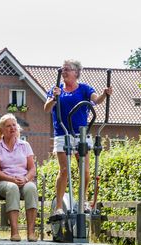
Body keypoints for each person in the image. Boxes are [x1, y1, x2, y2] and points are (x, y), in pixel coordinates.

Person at [43, 59, 112, 215]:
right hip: (62, 133)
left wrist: (104, 94)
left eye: (67, 69)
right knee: (64, 170)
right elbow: (46, 108)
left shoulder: (85, 89)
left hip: (81, 133)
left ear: (76, 72)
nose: (64, 72)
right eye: (63, 69)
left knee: (85, 171)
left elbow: (96, 100)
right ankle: (59, 207)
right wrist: (54, 98)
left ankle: (83, 201)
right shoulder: (55, 89)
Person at [0, 113, 38, 242]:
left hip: (23, 179)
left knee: (31, 188)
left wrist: (26, 179)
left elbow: (32, 169)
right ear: (2, 130)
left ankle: (31, 232)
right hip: (4, 182)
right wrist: (11, 179)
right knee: (12, 188)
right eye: (8, 126)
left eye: (14, 125)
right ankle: (14, 232)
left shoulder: (25, 145)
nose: (12, 128)